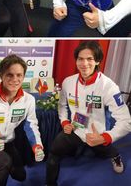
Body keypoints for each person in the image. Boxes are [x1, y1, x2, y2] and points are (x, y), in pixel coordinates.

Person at [46, 40, 131, 186]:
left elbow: (126, 122)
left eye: (90, 59)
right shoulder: (68, 82)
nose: (84, 64)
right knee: (54, 153)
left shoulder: (109, 86)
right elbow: (62, 106)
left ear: (97, 60)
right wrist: (64, 122)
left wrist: (105, 137)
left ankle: (116, 156)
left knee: (108, 151)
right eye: (80, 59)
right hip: (75, 128)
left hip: (96, 132)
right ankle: (50, 183)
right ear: (76, 60)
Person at [0, 54, 45, 186]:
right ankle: (2, 166)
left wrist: (37, 146)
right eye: (9, 75)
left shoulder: (29, 100)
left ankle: (6, 165)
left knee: (20, 176)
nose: (15, 79)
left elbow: (31, 126)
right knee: (4, 164)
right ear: (1, 76)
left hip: (9, 142)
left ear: (23, 76)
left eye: (19, 75)